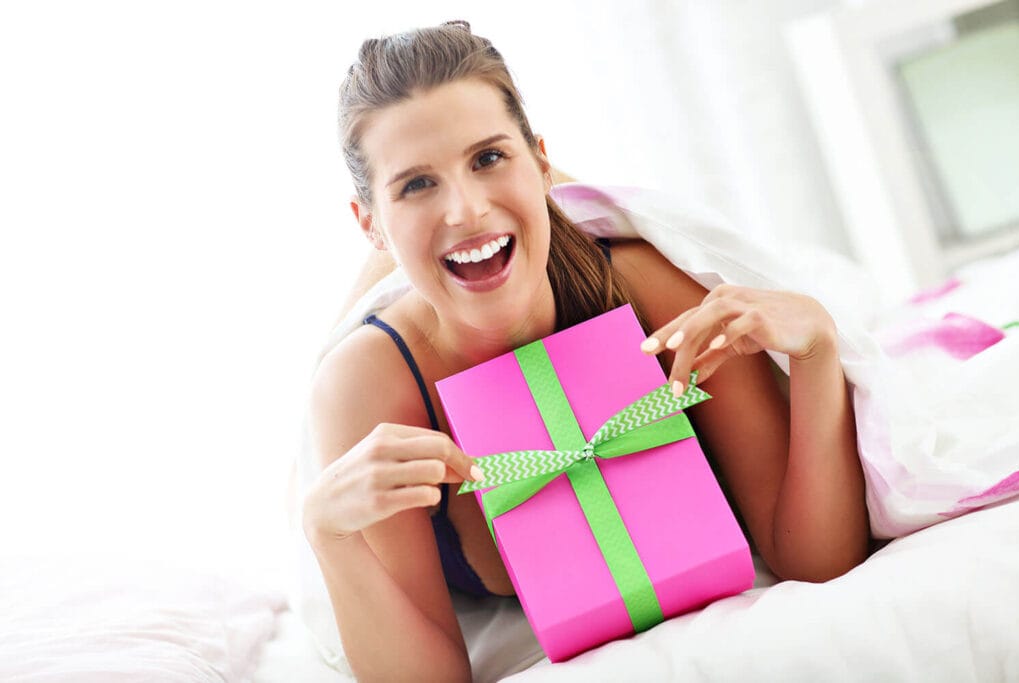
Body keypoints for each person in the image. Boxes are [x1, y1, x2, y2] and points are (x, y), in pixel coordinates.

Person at [300, 20, 869, 681]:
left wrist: (819, 351)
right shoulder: (368, 386)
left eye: (488, 157)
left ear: (541, 161)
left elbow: (819, 559)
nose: (466, 208)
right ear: (368, 221)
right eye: (415, 184)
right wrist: (328, 536)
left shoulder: (644, 287)